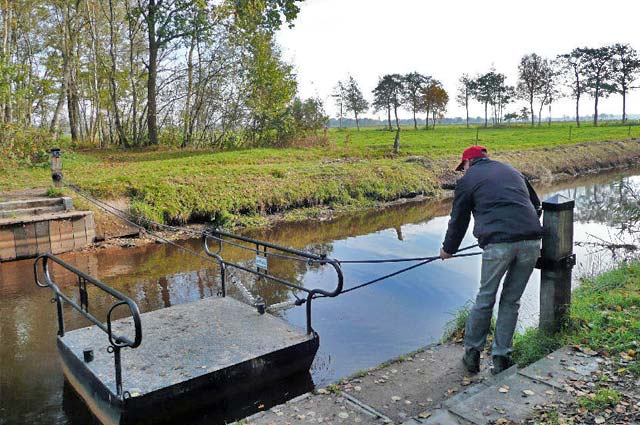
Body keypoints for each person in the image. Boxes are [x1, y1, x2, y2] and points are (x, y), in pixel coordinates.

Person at [439, 145, 543, 375]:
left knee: (485, 298)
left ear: (468, 163)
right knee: (511, 300)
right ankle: (501, 358)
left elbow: (459, 220)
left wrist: (448, 249)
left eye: (462, 167)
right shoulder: (512, 171)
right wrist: (520, 230)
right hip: (532, 240)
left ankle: (472, 356)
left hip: (498, 245)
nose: (462, 172)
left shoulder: (467, 181)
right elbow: (536, 206)